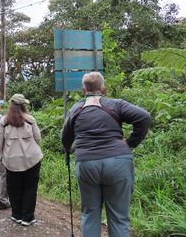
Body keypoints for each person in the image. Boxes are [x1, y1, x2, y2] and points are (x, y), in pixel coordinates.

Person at [61, 72, 151, 237]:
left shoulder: (76, 108)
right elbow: (144, 117)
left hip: (87, 163)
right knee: (118, 217)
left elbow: (65, 136)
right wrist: (131, 143)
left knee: (90, 213)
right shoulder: (116, 104)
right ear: (104, 89)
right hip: (118, 161)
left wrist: (68, 150)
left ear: (84, 90)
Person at [0, 94, 43, 226]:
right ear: (23, 105)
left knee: (14, 188)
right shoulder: (30, 119)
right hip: (31, 159)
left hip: (11, 160)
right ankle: (27, 217)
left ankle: (16, 214)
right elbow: (38, 138)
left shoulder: (4, 121)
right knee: (30, 187)